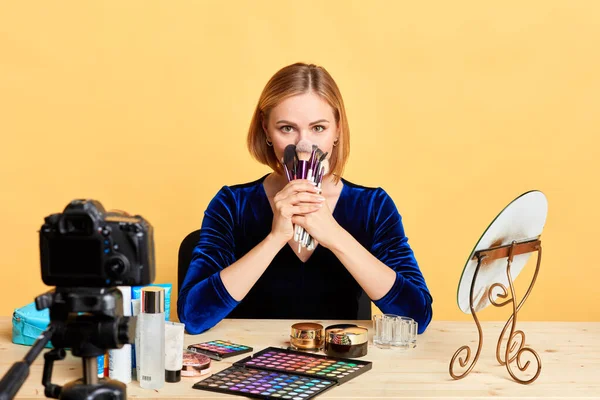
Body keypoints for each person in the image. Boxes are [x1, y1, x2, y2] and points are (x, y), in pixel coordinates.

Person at [177, 62, 433, 334]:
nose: (303, 145)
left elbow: (417, 316)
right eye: (287, 128)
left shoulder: (372, 206)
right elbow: (193, 317)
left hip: (340, 361)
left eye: (318, 128)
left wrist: (333, 234)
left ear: (337, 131)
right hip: (254, 364)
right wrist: (275, 238)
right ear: (266, 130)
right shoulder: (232, 204)